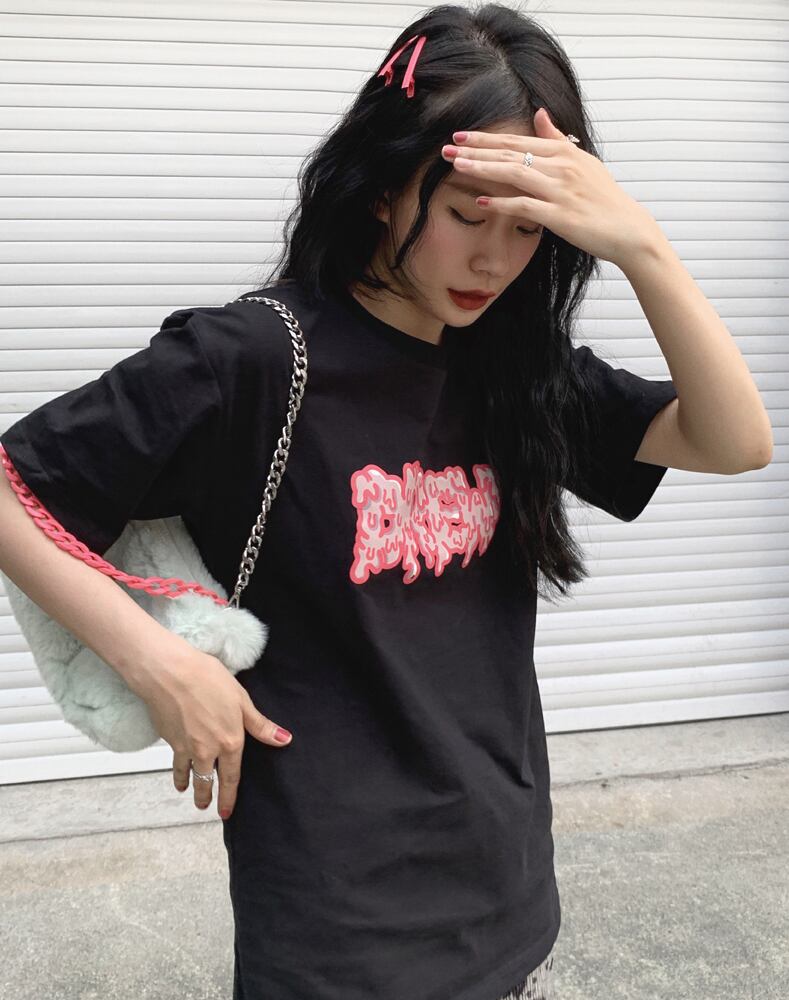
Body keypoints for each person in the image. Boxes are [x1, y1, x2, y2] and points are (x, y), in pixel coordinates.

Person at [0, 3, 772, 999]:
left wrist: (644, 249)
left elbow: (734, 440)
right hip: (335, 923)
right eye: (465, 217)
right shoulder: (254, 359)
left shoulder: (512, 369)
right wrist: (160, 665)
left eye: (529, 229)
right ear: (382, 188)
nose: (494, 261)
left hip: (504, 888)